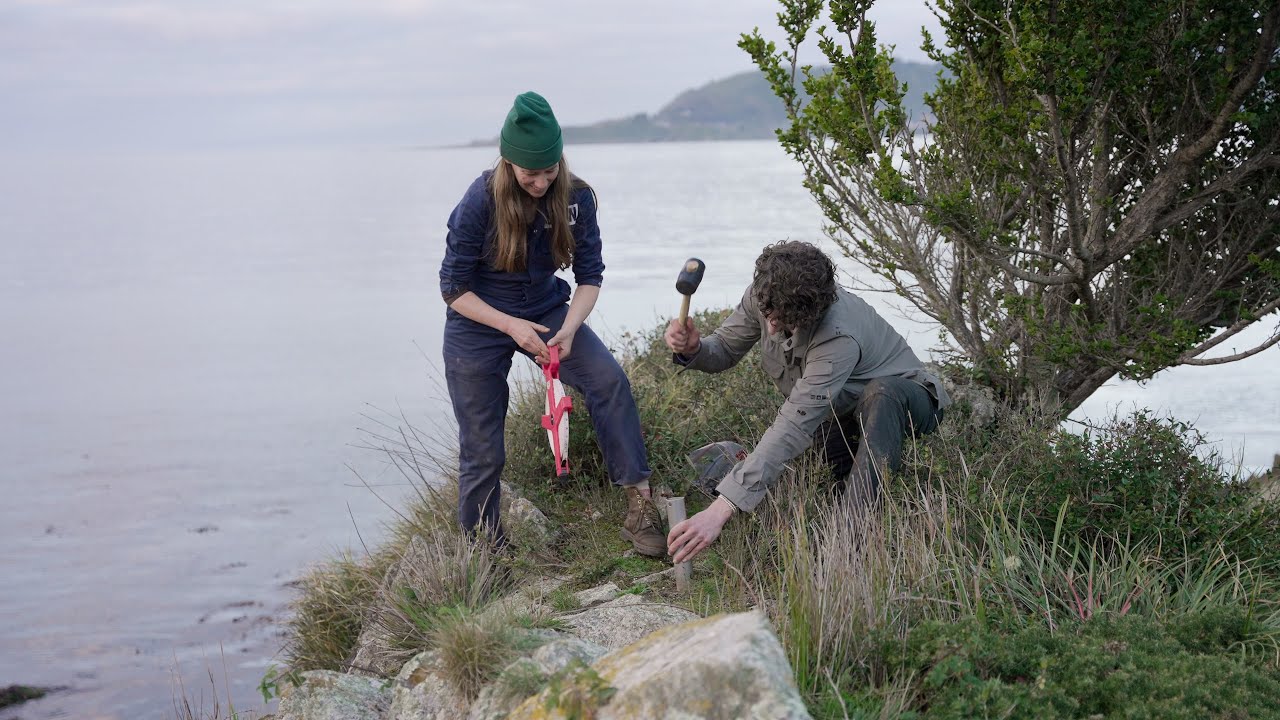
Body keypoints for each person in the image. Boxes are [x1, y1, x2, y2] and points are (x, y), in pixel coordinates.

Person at [438, 91, 665, 556]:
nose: (541, 182)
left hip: (547, 309)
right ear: (508, 164)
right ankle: (484, 550)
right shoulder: (479, 201)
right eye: (529, 174)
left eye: (549, 170)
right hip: (478, 319)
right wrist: (510, 327)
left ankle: (640, 508)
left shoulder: (577, 198)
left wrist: (569, 328)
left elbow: (590, 276)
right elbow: (452, 288)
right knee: (482, 447)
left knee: (609, 381)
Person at [663, 241, 950, 563]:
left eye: (784, 322)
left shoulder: (838, 335)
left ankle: (851, 538)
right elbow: (725, 350)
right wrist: (693, 348)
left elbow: (794, 422)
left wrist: (719, 510)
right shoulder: (764, 293)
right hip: (841, 414)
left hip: (910, 406)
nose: (771, 327)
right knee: (799, 483)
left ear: (812, 311)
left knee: (882, 393)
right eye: (768, 315)